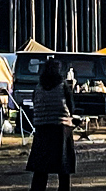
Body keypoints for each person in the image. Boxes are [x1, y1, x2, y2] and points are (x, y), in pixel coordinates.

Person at [26, 58, 76, 191]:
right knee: (63, 167)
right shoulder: (63, 85)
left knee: (41, 168)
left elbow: (35, 104)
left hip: (42, 129)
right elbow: (71, 107)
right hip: (61, 129)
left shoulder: (38, 87)